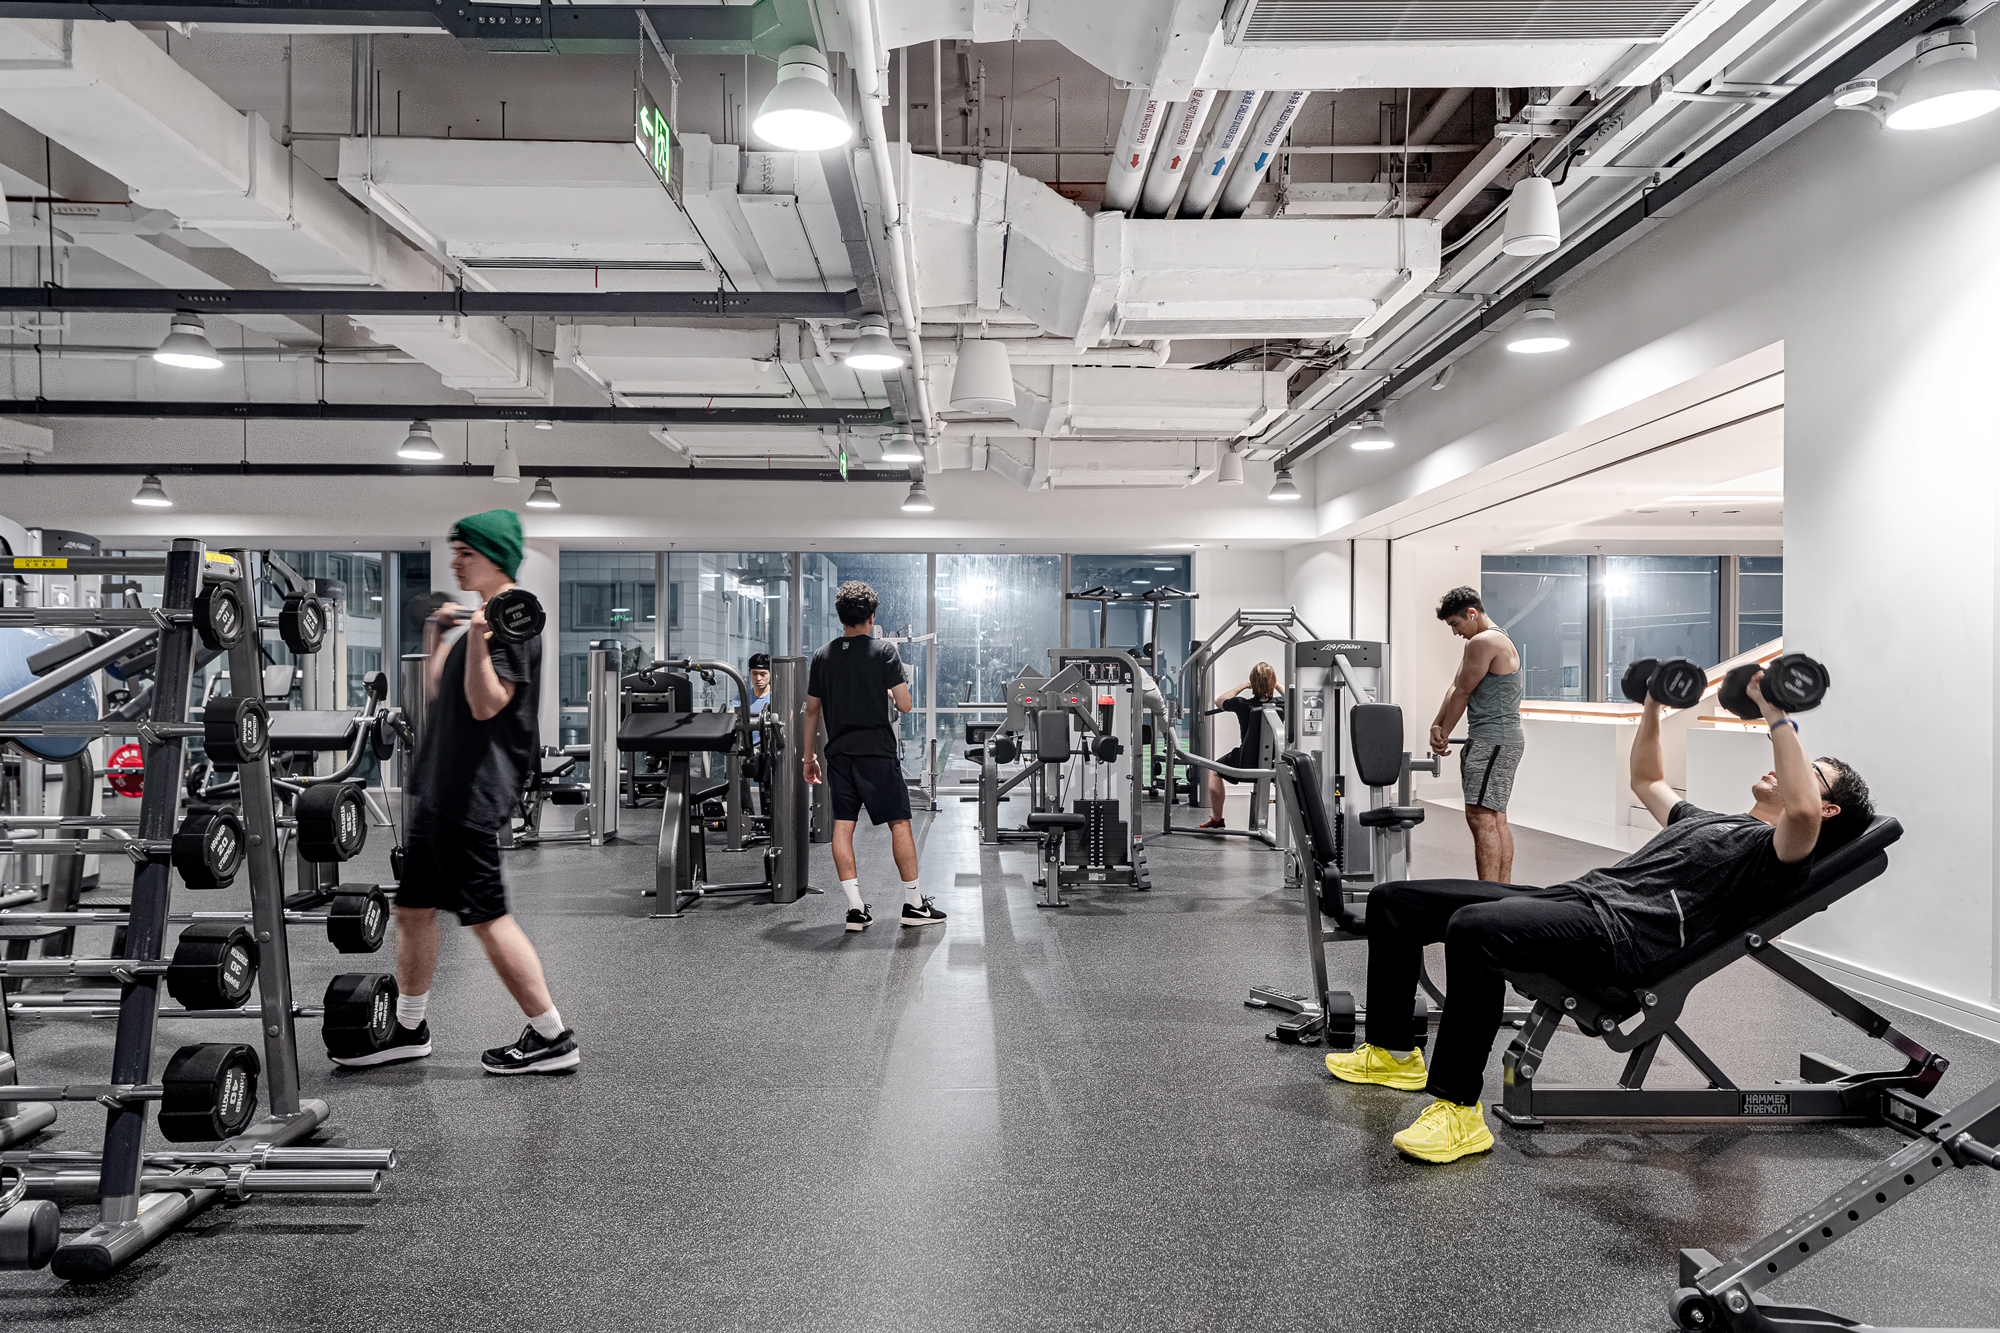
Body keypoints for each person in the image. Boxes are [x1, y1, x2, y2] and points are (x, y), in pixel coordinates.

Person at [1324, 668, 1872, 1163]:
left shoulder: (1778, 858)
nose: (1783, 770)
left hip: (1621, 938)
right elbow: (1646, 780)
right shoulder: (1711, 820)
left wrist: (1776, 713)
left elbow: (1801, 810)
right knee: (1394, 902)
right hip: (1579, 901)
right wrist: (1653, 705)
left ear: (1827, 809)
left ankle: (1458, 1111)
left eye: (1811, 773)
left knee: (1474, 929)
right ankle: (1393, 1053)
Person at [333, 510, 578, 1076]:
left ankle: (553, 1037)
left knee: (487, 916)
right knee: (414, 909)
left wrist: (477, 634)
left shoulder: (510, 619)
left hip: (472, 790)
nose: (456, 562)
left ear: (495, 556)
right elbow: (441, 688)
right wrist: (438, 632)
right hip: (443, 788)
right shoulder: (483, 619)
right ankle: (409, 1027)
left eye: (466, 552)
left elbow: (486, 703)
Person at [802, 580, 946, 933]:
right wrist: (889, 688)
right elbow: (905, 705)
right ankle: (914, 905)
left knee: (843, 825)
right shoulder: (884, 652)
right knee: (899, 822)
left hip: (839, 753)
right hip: (877, 753)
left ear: (840, 617)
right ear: (872, 615)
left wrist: (808, 758)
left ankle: (855, 909)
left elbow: (812, 711)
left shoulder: (822, 656)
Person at [1429, 586, 1524, 882]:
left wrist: (1444, 732)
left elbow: (1463, 693)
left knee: (1480, 817)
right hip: (1496, 740)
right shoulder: (1486, 639)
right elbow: (1456, 685)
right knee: (1495, 817)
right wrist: (1437, 725)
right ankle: (1501, 892)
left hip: (1493, 740)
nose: (1455, 632)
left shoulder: (1484, 641)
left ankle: (1489, 893)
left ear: (1472, 613)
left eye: (1456, 624)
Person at [1200, 662, 1285, 830]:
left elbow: (1219, 701)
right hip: (1274, 764)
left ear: (1252, 682)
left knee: (1214, 770)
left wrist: (1242, 686)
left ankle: (1217, 819)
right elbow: (1297, 698)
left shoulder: (1242, 704)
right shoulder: (1282, 704)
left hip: (1244, 763)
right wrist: (1274, 684)